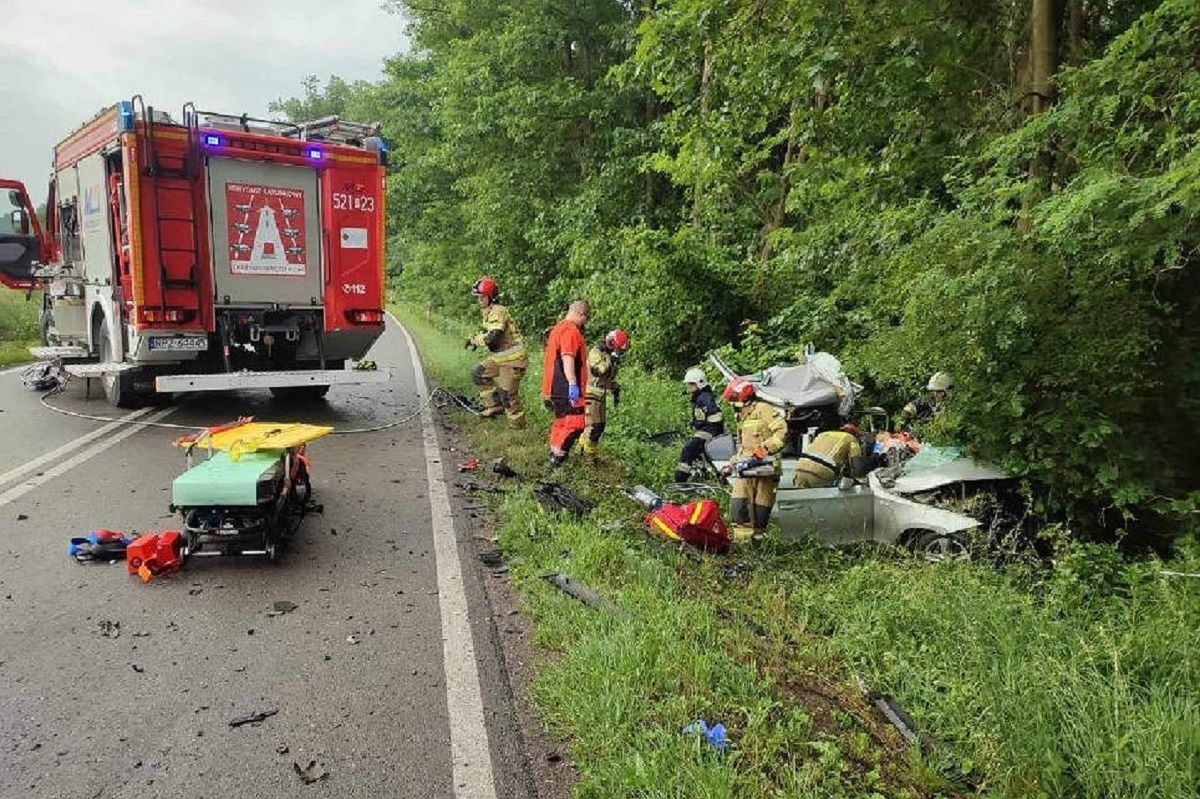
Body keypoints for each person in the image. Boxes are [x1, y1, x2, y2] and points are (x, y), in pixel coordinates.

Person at [723, 377, 787, 543]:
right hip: (746, 469)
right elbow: (744, 444)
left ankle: (758, 548)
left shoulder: (764, 409)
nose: (732, 406)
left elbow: (781, 432)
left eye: (733, 401)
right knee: (739, 507)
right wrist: (735, 460)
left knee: (761, 511)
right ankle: (742, 547)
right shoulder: (742, 416)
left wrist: (762, 452)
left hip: (766, 469)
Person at [465, 276, 527, 428]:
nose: (478, 301)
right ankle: (493, 406)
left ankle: (518, 428)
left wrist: (476, 341)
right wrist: (474, 338)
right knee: (478, 373)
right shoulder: (489, 311)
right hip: (500, 358)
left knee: (508, 396)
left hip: (514, 360)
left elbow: (493, 337)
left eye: (481, 297)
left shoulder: (498, 311)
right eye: (478, 298)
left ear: (490, 297)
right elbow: (488, 332)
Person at [541, 299, 590, 467]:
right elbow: (567, 357)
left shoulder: (558, 329)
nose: (585, 323)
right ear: (581, 315)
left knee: (561, 422)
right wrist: (572, 384)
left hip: (554, 386)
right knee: (576, 423)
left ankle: (553, 453)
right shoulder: (571, 331)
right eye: (586, 318)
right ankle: (557, 459)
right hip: (565, 387)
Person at [582, 328, 630, 458]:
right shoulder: (596, 352)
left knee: (599, 426)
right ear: (611, 343)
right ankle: (588, 457)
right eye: (619, 350)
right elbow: (599, 371)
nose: (620, 353)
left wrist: (615, 388)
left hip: (600, 395)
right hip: (591, 393)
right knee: (595, 427)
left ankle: (584, 450)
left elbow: (607, 379)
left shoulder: (610, 356)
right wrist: (611, 359)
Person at [674, 367, 725, 483]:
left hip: (709, 432)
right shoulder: (701, 397)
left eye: (691, 384)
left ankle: (680, 480)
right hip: (707, 431)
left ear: (699, 383)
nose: (688, 387)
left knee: (688, 449)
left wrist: (706, 426)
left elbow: (715, 416)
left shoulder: (705, 398)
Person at [792, 423, 868, 488]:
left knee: (799, 499)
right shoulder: (851, 439)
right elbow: (857, 463)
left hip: (801, 467)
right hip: (821, 472)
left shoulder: (824, 434)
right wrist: (860, 480)